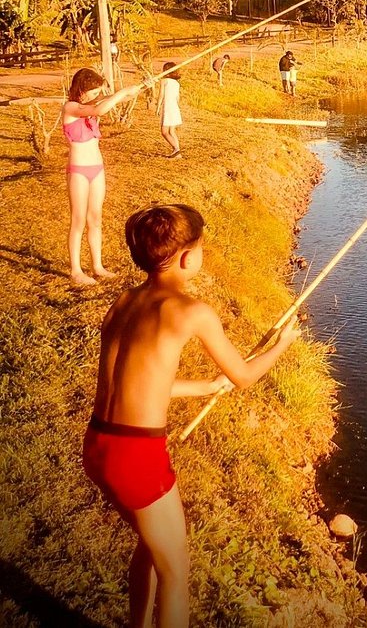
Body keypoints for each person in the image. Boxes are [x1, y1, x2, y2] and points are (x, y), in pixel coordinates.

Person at [82, 204, 299, 628]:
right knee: (175, 571)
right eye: (201, 247)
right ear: (186, 257)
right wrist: (284, 343)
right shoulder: (191, 311)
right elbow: (245, 376)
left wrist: (203, 386)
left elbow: (131, 385)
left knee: (151, 546)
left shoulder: (123, 303)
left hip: (98, 443)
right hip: (136, 459)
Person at [62, 68, 142, 287]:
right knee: (78, 219)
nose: (95, 95)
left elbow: (104, 102)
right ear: (82, 89)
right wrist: (123, 92)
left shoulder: (88, 105)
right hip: (78, 171)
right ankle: (76, 270)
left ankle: (97, 266)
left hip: (97, 169)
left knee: (95, 219)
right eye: (93, 91)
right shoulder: (71, 108)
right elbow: (100, 109)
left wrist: (132, 92)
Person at [157, 62, 183, 158]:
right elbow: (177, 98)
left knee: (164, 132)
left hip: (168, 107)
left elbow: (161, 95)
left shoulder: (164, 81)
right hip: (174, 107)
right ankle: (177, 153)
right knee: (172, 132)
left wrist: (158, 107)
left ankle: (177, 150)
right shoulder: (176, 83)